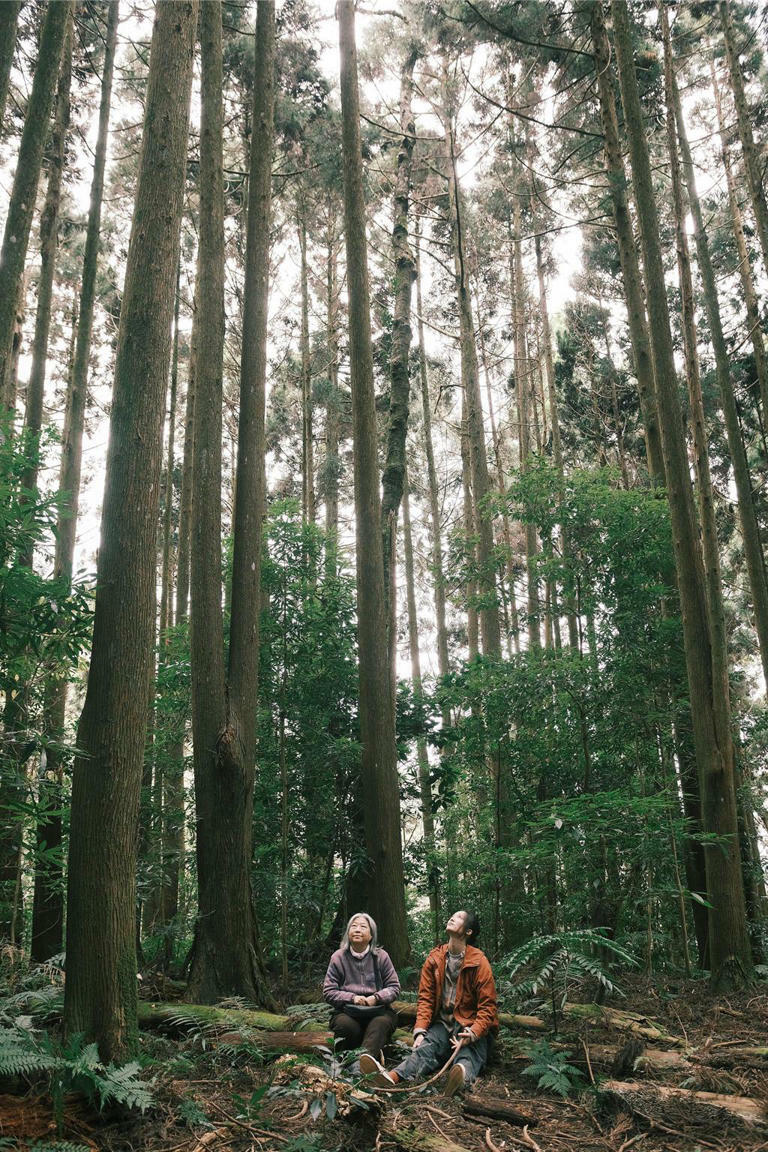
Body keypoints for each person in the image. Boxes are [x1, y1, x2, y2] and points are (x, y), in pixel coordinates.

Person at [360, 910, 498, 1096]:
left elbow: (487, 1007)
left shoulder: (479, 962)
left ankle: (459, 1079)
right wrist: (420, 1031)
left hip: (469, 1025)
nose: (452, 918)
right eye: (453, 915)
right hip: (443, 1024)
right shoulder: (435, 958)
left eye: (459, 918)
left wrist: (473, 1033)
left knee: (469, 1055)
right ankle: (391, 1077)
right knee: (425, 1048)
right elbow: (426, 998)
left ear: (468, 932)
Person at [323, 912, 400, 1070]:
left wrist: (376, 998)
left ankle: (359, 1067)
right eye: (354, 926)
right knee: (346, 1026)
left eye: (363, 927)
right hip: (347, 1011)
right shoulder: (338, 957)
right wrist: (352, 998)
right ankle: (351, 1063)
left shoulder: (381, 957)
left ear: (371, 935)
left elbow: (394, 987)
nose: (357, 930)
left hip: (378, 1011)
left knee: (380, 1024)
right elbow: (329, 991)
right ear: (348, 933)